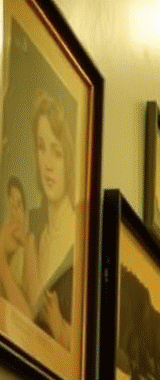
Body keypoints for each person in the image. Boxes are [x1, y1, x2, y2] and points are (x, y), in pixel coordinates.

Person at [0, 93, 77, 349]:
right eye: (41, 147)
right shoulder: (32, 227)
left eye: (57, 152)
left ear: (69, 159)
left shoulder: (81, 241)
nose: (48, 165)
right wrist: (7, 258)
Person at [0, 176, 27, 293]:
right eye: (11, 199)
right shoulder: (4, 230)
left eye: (19, 204)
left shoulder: (26, 250)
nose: (14, 209)